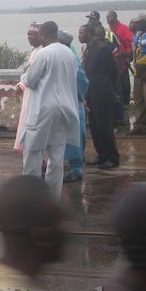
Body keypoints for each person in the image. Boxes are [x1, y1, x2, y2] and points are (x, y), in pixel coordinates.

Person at [20, 21, 80, 197]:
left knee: (33, 155)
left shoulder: (44, 54)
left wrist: (24, 73)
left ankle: (31, 198)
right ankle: (53, 199)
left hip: (43, 110)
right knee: (56, 159)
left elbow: (30, 80)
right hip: (64, 110)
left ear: (44, 35)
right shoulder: (69, 54)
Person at [78, 24, 120, 169]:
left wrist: (109, 87)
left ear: (89, 33)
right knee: (95, 129)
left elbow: (113, 70)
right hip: (92, 94)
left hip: (103, 94)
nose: (79, 35)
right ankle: (101, 155)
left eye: (81, 32)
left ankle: (112, 158)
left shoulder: (101, 48)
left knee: (105, 128)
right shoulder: (89, 49)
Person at [58, 30, 88, 183]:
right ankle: (73, 166)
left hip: (74, 102)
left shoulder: (71, 58)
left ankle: (76, 170)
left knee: (75, 136)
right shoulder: (68, 55)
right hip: (71, 101)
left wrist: (79, 97)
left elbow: (82, 81)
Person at [14, 22, 42, 152]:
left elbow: (31, 77)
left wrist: (22, 82)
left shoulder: (42, 52)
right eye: (28, 34)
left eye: (32, 34)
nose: (29, 37)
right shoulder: (35, 51)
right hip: (29, 96)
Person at [106, 11, 133, 122]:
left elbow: (130, 44)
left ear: (115, 17)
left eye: (110, 17)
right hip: (114, 63)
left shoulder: (124, 28)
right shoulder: (107, 31)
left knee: (125, 85)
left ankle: (126, 106)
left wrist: (127, 57)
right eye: (107, 17)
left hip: (123, 62)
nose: (108, 19)